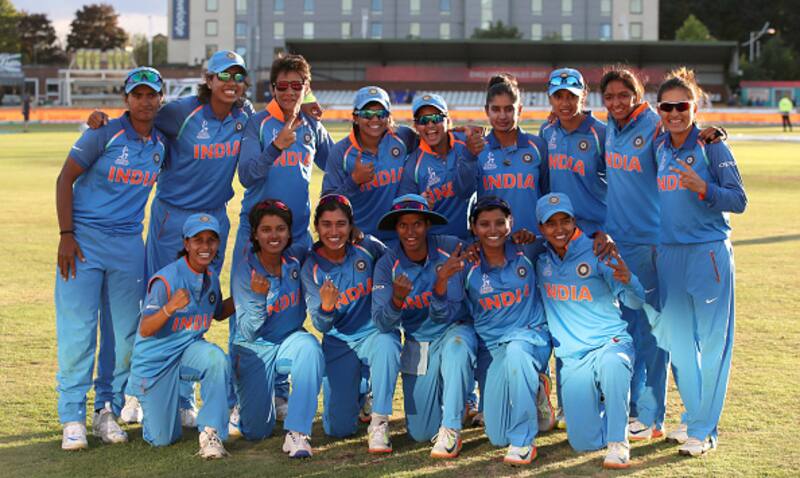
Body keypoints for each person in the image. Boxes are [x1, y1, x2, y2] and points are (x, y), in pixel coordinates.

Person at [600, 64, 725, 441]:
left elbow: (687, 136)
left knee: (658, 333)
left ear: (638, 96)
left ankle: (659, 416)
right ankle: (641, 409)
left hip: (653, 243)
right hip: (618, 244)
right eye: (610, 97)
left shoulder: (654, 124)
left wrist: (714, 136)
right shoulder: (609, 126)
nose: (618, 102)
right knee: (633, 329)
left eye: (625, 95)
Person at [54, 67, 166, 451]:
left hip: (127, 246)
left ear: (160, 99)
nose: (145, 101)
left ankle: (108, 411)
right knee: (78, 332)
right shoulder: (102, 132)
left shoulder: (161, 142)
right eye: (138, 95)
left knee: (123, 336)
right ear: (126, 99)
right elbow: (64, 178)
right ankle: (72, 417)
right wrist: (66, 235)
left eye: (152, 95)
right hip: (83, 242)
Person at [654, 68, 747, 456]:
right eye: (667, 106)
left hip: (707, 252)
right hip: (669, 255)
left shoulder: (713, 147)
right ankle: (693, 418)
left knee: (712, 346)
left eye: (682, 105)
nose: (674, 112)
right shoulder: (661, 147)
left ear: (696, 107)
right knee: (679, 344)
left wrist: (704, 187)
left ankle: (706, 430)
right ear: (658, 110)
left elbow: (738, 200)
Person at [535, 193, 645, 469]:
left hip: (610, 342)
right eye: (551, 224)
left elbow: (635, 301)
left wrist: (629, 280)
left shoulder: (599, 251)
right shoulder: (540, 259)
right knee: (583, 442)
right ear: (541, 228)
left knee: (613, 365)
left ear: (574, 221)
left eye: (565, 221)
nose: (559, 229)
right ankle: (605, 407)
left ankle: (619, 442)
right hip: (574, 358)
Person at [441, 196, 553, 465]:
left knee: (517, 351)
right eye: (484, 224)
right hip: (494, 349)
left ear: (510, 223)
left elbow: (561, 240)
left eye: (500, 223)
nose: (493, 230)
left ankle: (524, 441)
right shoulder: (466, 262)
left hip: (530, 337)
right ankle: (536, 387)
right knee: (496, 436)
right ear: (473, 227)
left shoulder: (528, 249)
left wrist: (600, 237)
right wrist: (444, 279)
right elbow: (452, 310)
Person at [371, 194, 477, 458]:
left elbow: (445, 315)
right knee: (419, 433)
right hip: (419, 341)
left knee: (456, 347)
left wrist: (440, 284)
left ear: (428, 225)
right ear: (395, 228)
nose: (410, 232)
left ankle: (451, 428)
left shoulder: (450, 248)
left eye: (417, 223)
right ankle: (456, 399)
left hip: (454, 330)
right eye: (403, 225)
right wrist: (396, 300)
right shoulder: (387, 264)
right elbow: (382, 322)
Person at [300, 194, 402, 452]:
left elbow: (395, 262)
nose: (334, 232)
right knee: (338, 430)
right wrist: (326, 307)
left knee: (388, 343)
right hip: (339, 341)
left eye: (341, 224)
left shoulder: (366, 245)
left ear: (351, 225)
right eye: (326, 224)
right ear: (317, 226)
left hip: (373, 333)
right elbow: (321, 326)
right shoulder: (311, 267)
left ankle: (379, 422)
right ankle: (361, 388)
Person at [127, 214, 235, 458]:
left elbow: (217, 313)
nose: (205, 247)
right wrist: (169, 307)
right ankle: (140, 395)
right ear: (186, 244)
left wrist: (245, 295)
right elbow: (145, 329)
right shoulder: (166, 279)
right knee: (163, 439)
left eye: (211, 241)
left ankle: (211, 434)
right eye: (198, 240)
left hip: (188, 352)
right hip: (156, 363)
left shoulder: (211, 278)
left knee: (215, 359)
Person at [230, 200, 324, 458]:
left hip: (288, 342)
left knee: (310, 348)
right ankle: (245, 407)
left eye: (280, 229)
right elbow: (248, 331)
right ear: (255, 234)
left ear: (289, 232)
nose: (274, 235)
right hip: (253, 349)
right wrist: (259, 298)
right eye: (266, 229)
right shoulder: (244, 271)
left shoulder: (297, 257)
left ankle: (297, 433)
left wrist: (355, 234)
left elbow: (327, 247)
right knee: (257, 431)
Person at [236, 53, 333, 253]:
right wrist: (275, 147)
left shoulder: (312, 125)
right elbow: (246, 177)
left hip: (297, 235)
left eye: (296, 86)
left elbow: (335, 165)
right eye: (282, 86)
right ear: (273, 88)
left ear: (306, 88)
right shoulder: (257, 123)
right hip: (256, 235)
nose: (289, 91)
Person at [322, 86, 417, 243]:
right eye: (367, 114)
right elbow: (327, 203)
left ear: (389, 116)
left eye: (381, 114)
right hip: (360, 240)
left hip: (401, 239)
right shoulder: (340, 152)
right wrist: (353, 181)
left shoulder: (404, 137)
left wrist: (458, 133)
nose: (375, 120)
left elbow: (434, 143)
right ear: (355, 117)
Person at [455, 74, 548, 234]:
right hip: (493, 243)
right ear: (487, 110)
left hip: (533, 240)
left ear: (519, 109)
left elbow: (548, 193)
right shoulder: (477, 147)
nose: (503, 116)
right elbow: (463, 192)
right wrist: (469, 157)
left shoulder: (537, 146)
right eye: (496, 109)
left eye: (509, 109)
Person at [397, 93, 479, 240]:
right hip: (435, 244)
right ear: (416, 126)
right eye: (423, 121)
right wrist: (418, 205)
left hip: (473, 240)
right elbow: (403, 210)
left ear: (448, 120)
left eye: (436, 118)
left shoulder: (467, 143)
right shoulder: (413, 165)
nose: (430, 125)